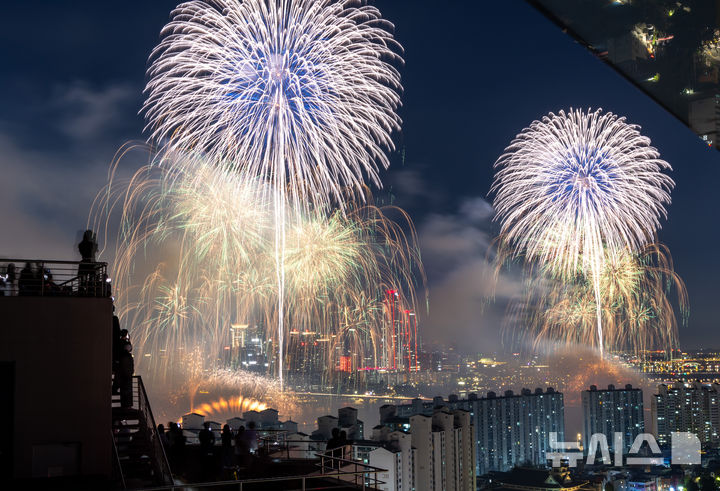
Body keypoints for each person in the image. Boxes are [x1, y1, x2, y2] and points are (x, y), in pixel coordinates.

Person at [77, 229, 98, 294]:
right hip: (90, 262)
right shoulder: (92, 244)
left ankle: (82, 288)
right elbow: (94, 251)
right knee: (92, 276)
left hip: (83, 262)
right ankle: (90, 288)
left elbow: (81, 252)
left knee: (82, 277)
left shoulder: (80, 245)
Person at [117, 330, 134, 408]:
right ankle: (127, 406)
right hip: (126, 372)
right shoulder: (125, 344)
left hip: (123, 370)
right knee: (127, 389)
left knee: (124, 390)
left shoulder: (118, 342)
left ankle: (124, 405)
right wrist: (129, 340)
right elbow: (129, 349)